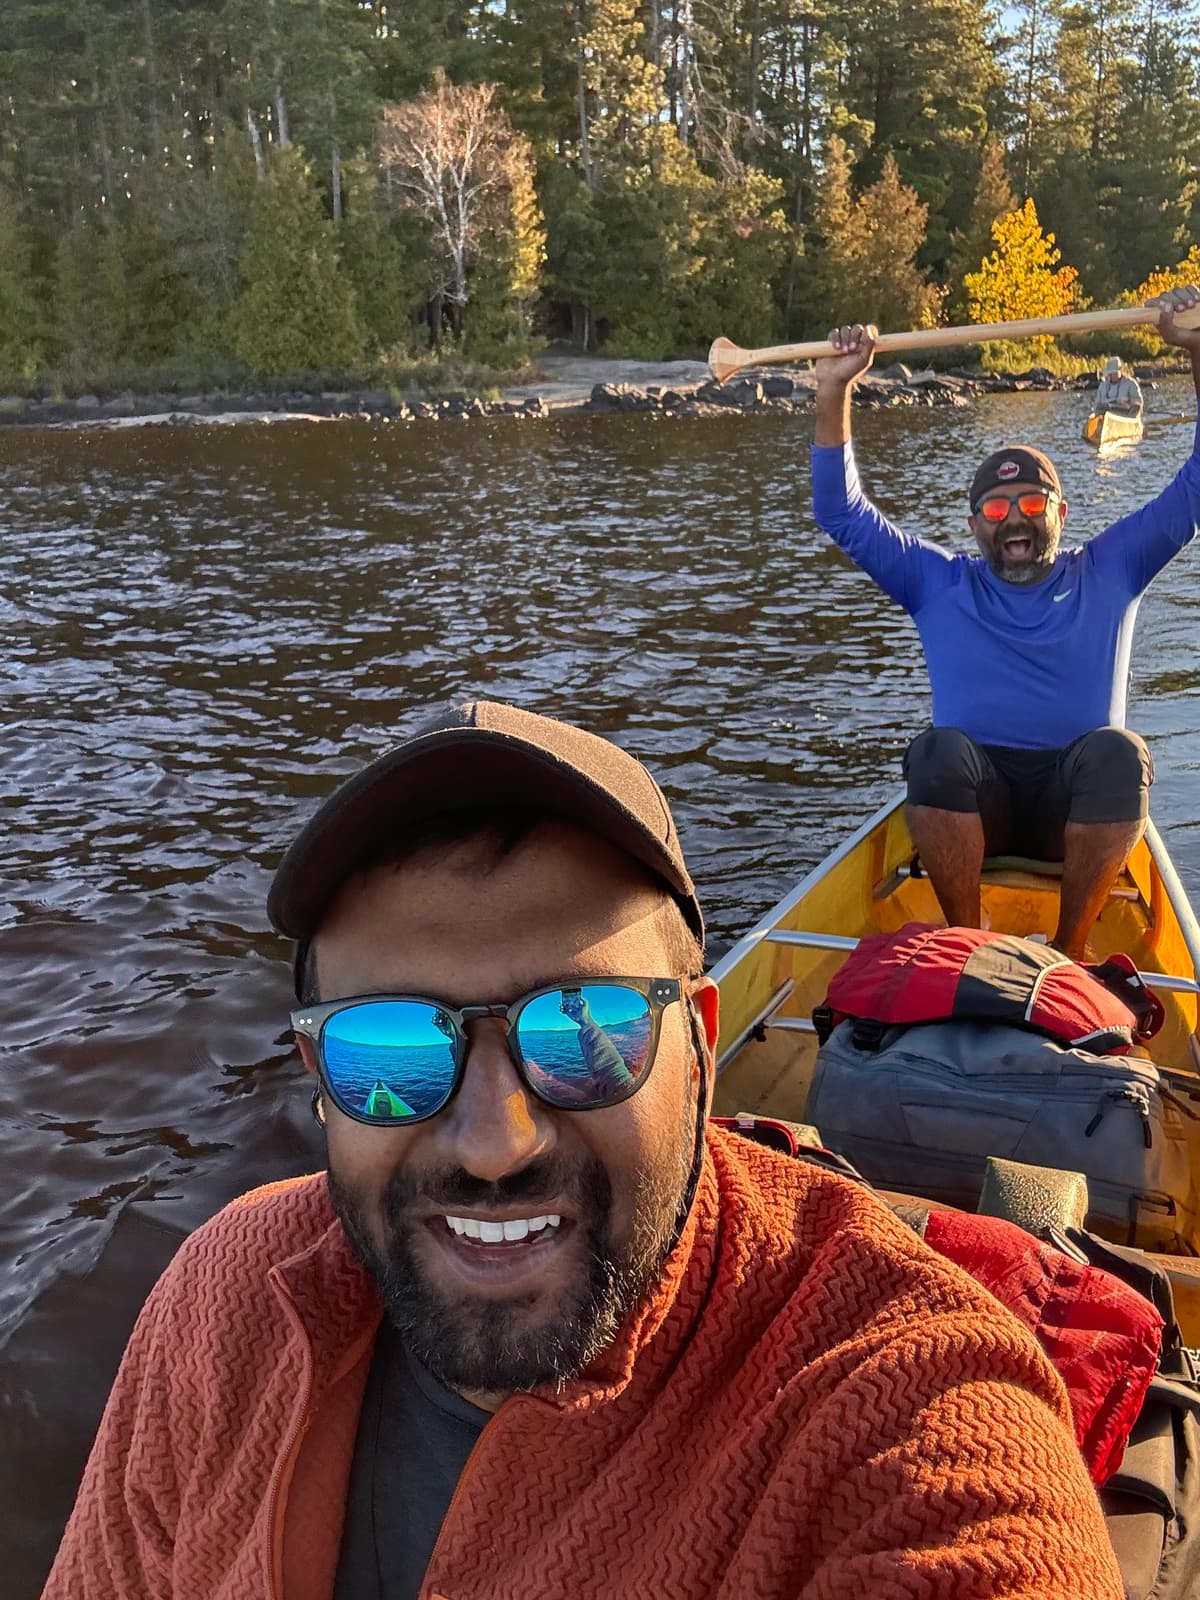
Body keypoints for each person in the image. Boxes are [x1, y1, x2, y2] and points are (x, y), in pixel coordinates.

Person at [44, 700, 1125, 1599]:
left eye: (583, 1031)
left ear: (701, 1051)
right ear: (317, 1082)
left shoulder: (905, 1409)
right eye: (394, 1046)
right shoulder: (219, 1302)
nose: (490, 1142)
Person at [812, 287, 1200, 957]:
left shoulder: (1109, 569)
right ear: (974, 527)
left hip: (1070, 804)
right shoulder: (937, 581)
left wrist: (1196, 348)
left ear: (1061, 512)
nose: (1014, 519)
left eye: (1030, 504)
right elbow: (842, 513)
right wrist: (834, 391)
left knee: (1120, 754)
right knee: (935, 752)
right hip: (977, 806)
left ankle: (1069, 951)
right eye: (995, 510)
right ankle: (968, 945)